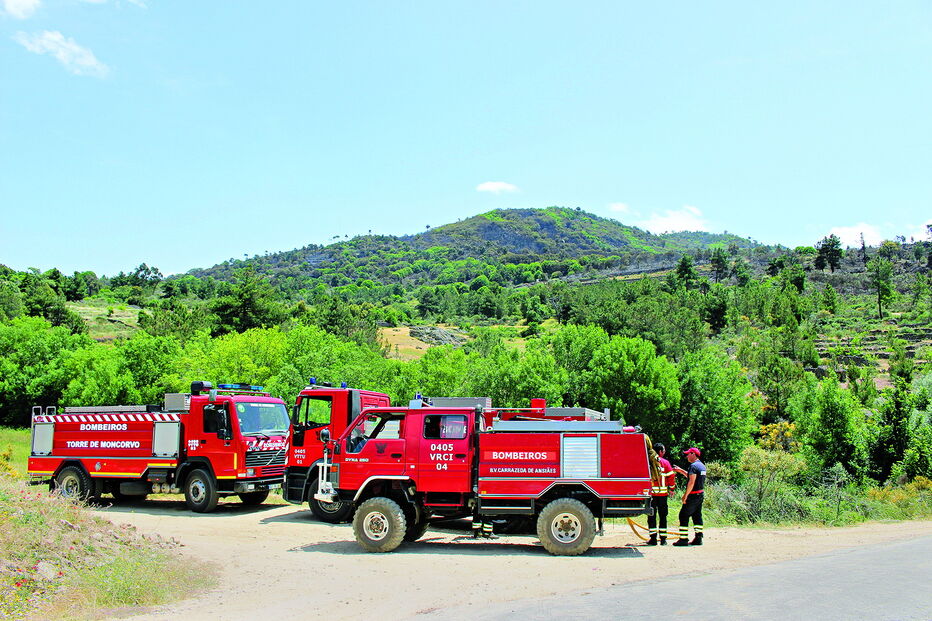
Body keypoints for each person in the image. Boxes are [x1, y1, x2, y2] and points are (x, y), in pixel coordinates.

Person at [673, 447, 706, 546]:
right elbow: (692, 477)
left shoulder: (693, 466)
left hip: (693, 495)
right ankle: (698, 537)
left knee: (683, 515)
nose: (687, 456)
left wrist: (685, 495)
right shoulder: (701, 466)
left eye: (688, 454)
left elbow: (691, 482)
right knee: (697, 516)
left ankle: (683, 539)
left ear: (693, 454)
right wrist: (680, 470)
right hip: (700, 494)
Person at [646, 443, 675, 545]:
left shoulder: (649, 462)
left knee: (651, 517)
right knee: (663, 517)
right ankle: (663, 540)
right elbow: (671, 477)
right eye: (664, 450)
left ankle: (653, 539)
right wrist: (672, 489)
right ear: (661, 452)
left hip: (651, 495)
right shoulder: (665, 463)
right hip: (663, 496)